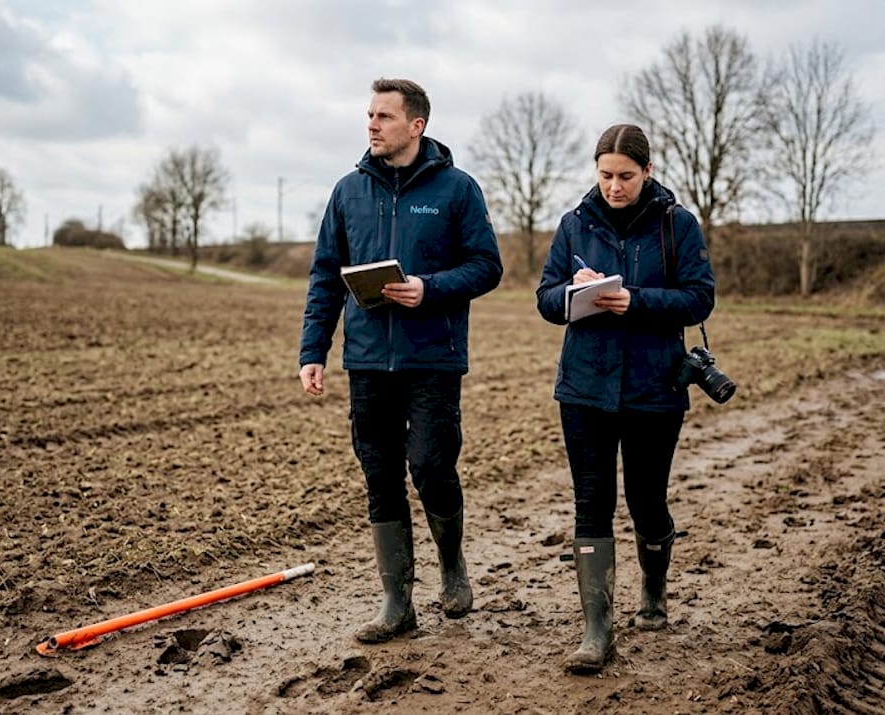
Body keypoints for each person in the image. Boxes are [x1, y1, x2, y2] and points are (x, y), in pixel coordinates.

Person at [298, 78, 503, 643]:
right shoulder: (348, 191)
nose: (372, 125)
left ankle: (453, 565)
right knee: (380, 476)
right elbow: (324, 276)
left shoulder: (458, 189)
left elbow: (487, 266)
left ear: (417, 125)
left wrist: (428, 288)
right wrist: (313, 351)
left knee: (432, 466)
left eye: (384, 116)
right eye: (369, 115)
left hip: (433, 359)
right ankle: (397, 602)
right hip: (366, 363)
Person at [535, 123, 715, 673]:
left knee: (645, 500)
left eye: (626, 177)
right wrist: (574, 293)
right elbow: (545, 299)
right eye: (606, 175)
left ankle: (654, 594)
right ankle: (597, 632)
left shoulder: (677, 225)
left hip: (654, 389)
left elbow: (699, 298)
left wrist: (632, 300)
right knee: (591, 502)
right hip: (584, 388)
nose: (614, 186)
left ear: (648, 172)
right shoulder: (573, 225)